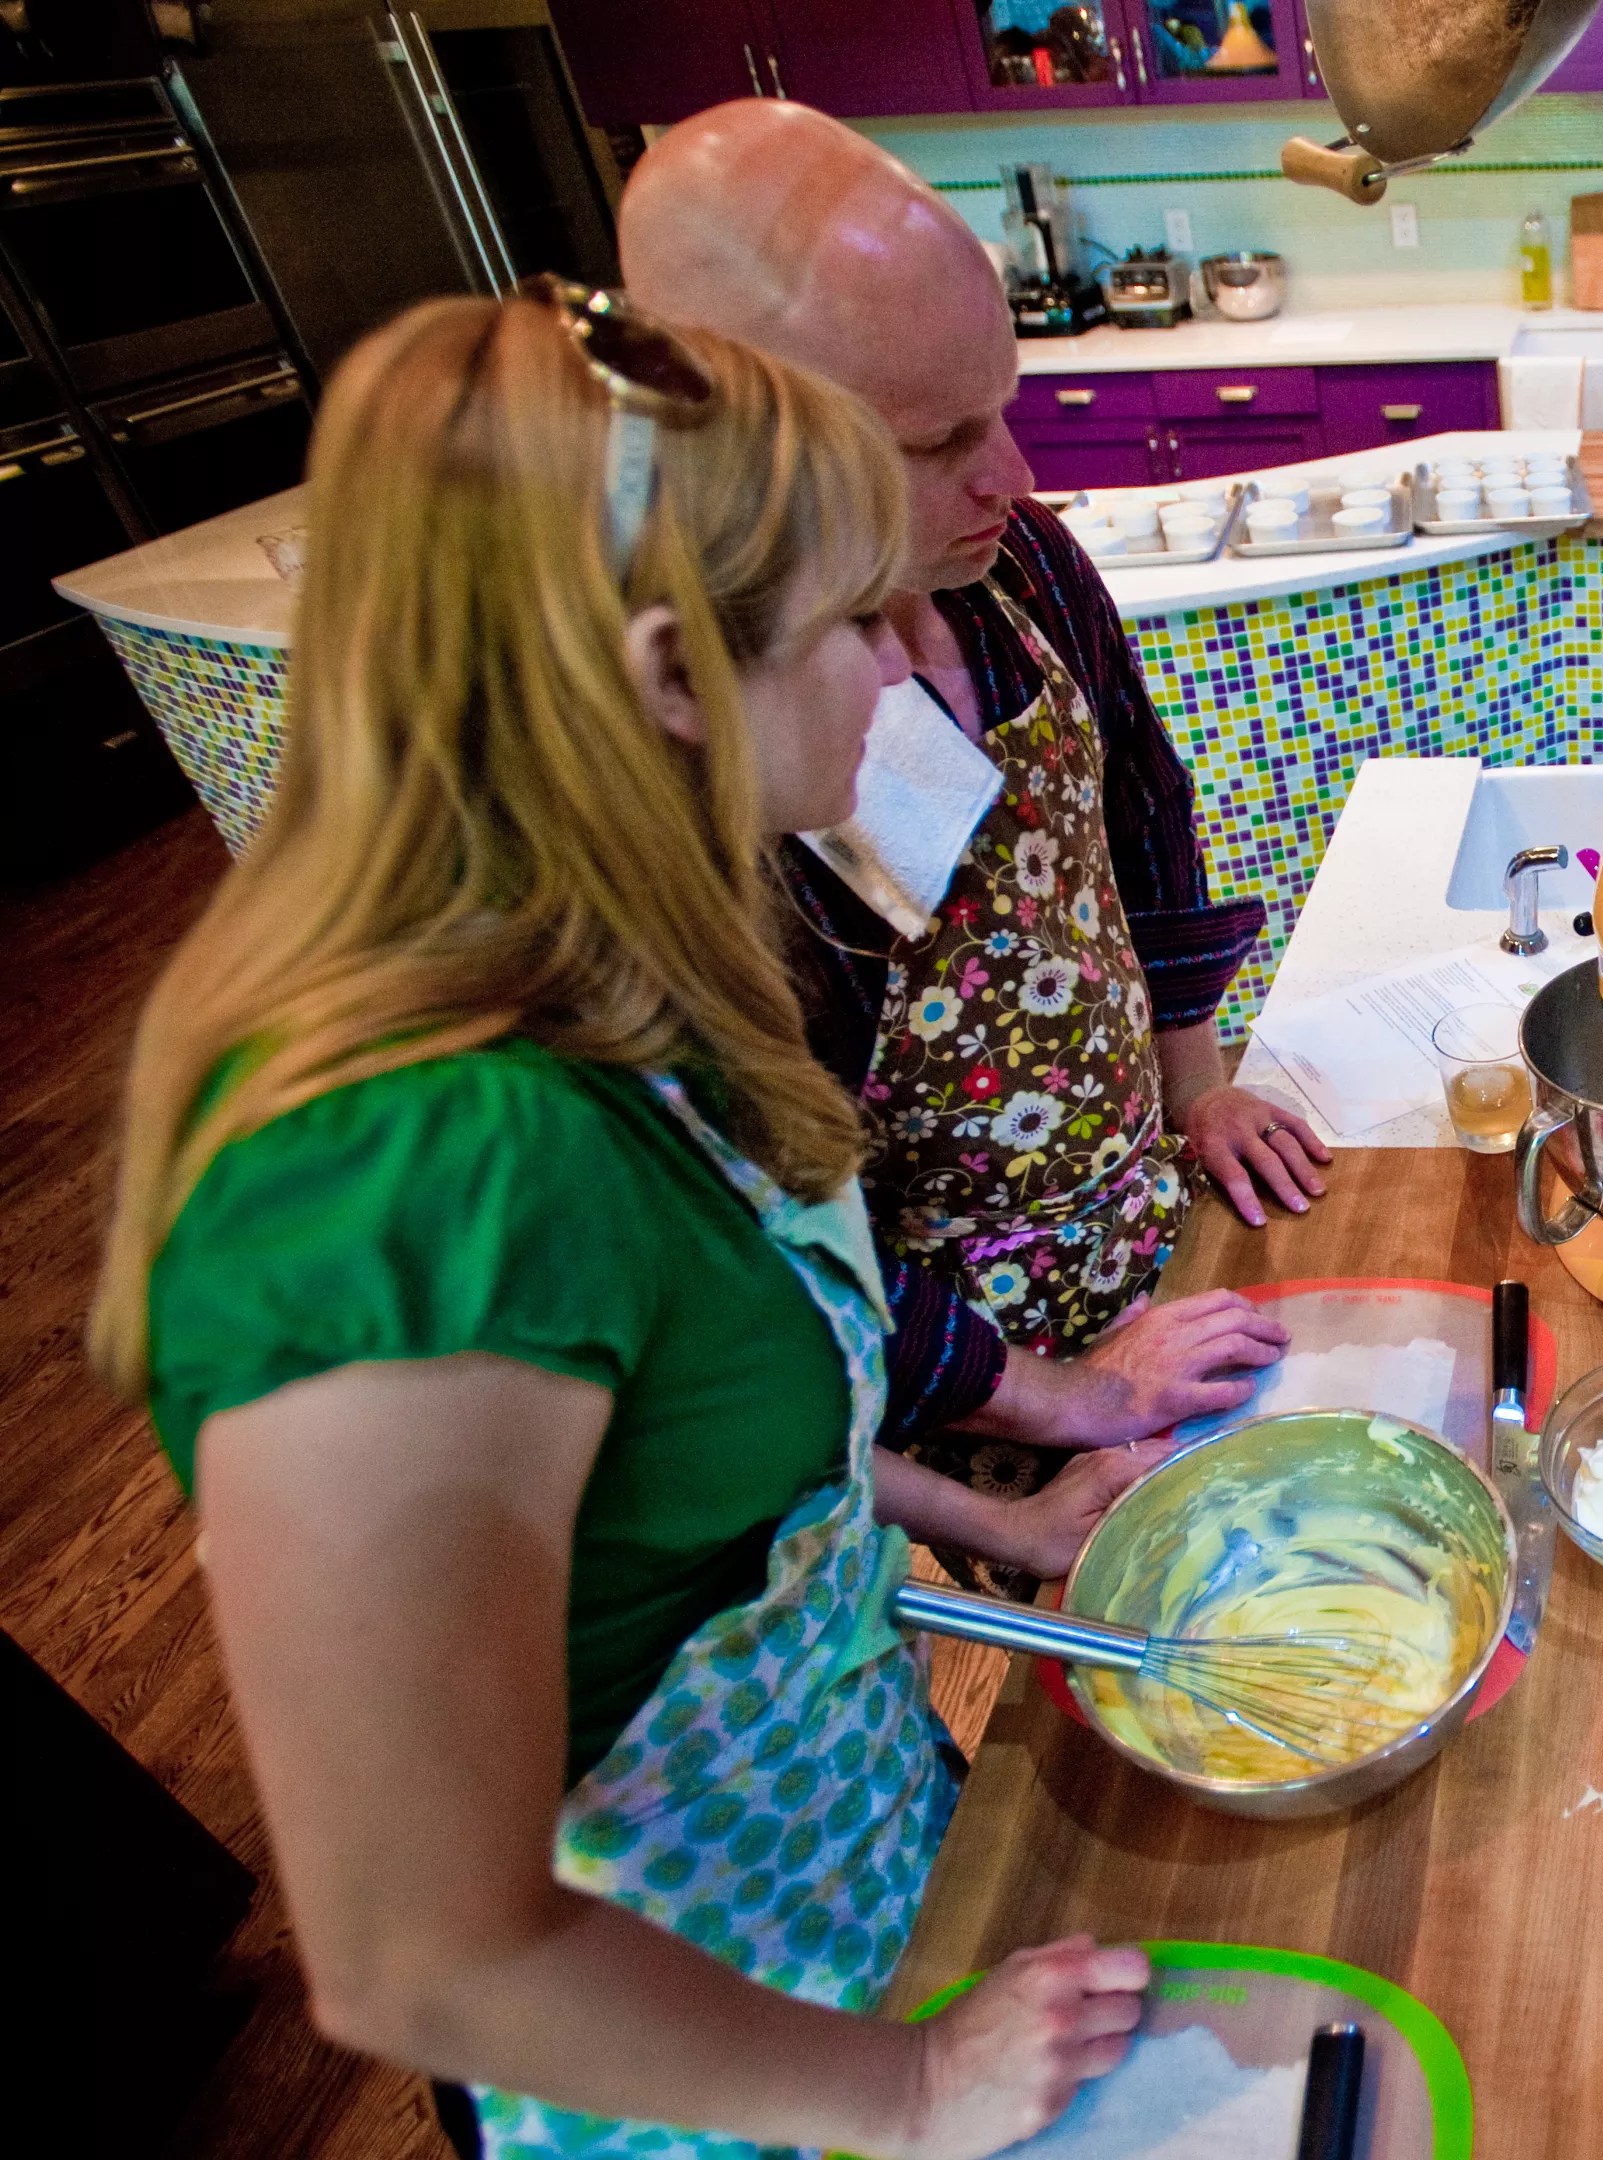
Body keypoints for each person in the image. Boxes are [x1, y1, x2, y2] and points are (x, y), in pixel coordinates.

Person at [94, 284, 1157, 2159]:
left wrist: (998, 1516)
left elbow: (704, 1500)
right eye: (850, 626)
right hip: (703, 2076)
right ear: (671, 677)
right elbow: (420, 1947)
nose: (905, 680)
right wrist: (905, 2087)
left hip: (854, 1902)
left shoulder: (638, 998)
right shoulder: (411, 1186)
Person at [616, 101, 1307, 1576]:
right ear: (743, 455)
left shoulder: (1016, 564)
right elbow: (788, 1268)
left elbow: (1140, 808)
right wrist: (1050, 1408)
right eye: (933, 442)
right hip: (961, 1355)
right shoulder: (706, 781)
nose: (1014, 476)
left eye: (1001, 403)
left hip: (1150, 1218)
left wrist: (1196, 1085)